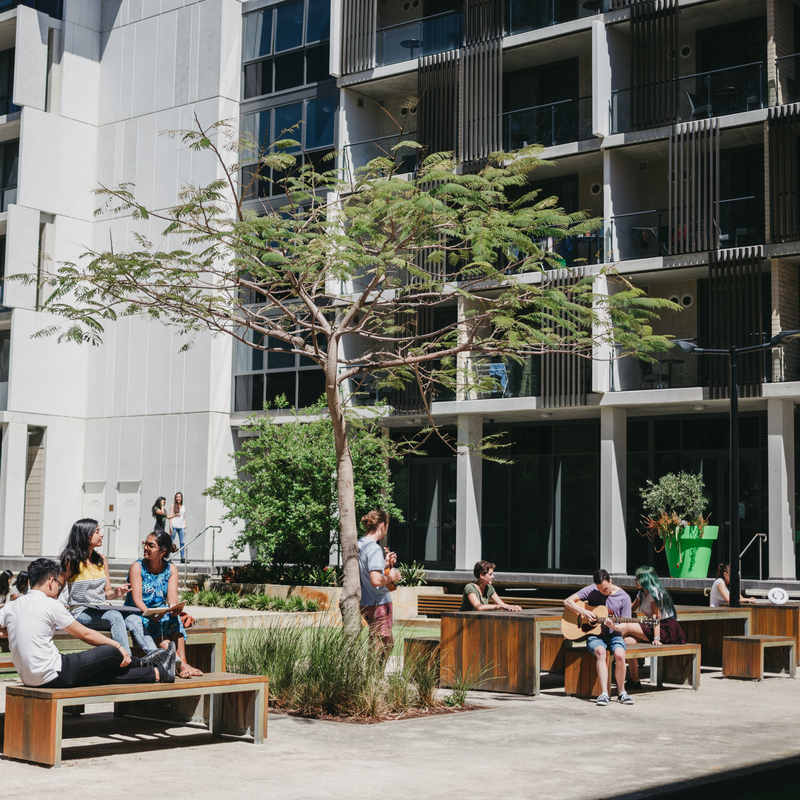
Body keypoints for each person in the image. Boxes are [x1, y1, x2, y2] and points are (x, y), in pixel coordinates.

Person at [0, 558, 175, 688]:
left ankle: (157, 672)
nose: (59, 589)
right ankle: (143, 662)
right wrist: (118, 646)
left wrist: (13, 631)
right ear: (51, 581)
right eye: (59, 583)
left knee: (102, 674)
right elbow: (85, 633)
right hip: (56, 672)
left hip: (30, 678)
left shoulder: (12, 606)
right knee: (109, 651)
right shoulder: (51, 604)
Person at [59, 518, 158, 657]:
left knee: (134, 618)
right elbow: (57, 588)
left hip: (103, 608)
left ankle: (158, 657)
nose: (102, 535)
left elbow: (107, 593)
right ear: (86, 536)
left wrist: (116, 593)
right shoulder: (71, 561)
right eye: (97, 531)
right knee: (115, 616)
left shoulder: (101, 560)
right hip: (81, 611)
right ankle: (126, 658)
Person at [125, 530, 203, 678]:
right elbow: (137, 599)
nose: (145, 548)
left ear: (162, 551)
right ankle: (181, 664)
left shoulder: (171, 569)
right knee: (151, 622)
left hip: (160, 610)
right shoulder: (137, 566)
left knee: (174, 618)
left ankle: (183, 661)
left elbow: (172, 597)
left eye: (150, 545)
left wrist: (175, 608)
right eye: (145, 544)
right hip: (138, 611)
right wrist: (149, 612)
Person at [564, 568, 635, 707]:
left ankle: (622, 692)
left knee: (620, 655)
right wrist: (584, 611)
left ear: (610, 581)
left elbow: (625, 626)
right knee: (601, 652)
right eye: (599, 589)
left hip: (614, 635)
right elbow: (567, 601)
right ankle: (604, 694)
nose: (602, 591)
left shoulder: (624, 597)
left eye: (605, 588)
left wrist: (613, 626)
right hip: (594, 635)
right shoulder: (592, 589)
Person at [615, 565, 687, 687]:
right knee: (627, 641)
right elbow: (631, 609)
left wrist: (657, 638)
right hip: (652, 626)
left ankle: (607, 642)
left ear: (645, 579)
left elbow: (655, 617)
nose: (634, 580)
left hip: (665, 629)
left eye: (637, 577)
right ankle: (635, 680)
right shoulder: (642, 592)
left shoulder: (655, 592)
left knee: (626, 627)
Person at [357, 509, 401, 658]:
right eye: (387, 528)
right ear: (382, 526)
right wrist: (393, 576)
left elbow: (367, 572)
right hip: (379, 603)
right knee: (383, 645)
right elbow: (376, 580)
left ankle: (373, 677)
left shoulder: (360, 545)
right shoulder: (374, 548)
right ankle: (374, 678)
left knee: (378, 641)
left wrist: (385, 564)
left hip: (365, 602)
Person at [169, 491, 187, 563]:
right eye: (176, 497)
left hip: (181, 526)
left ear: (181, 498)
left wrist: (185, 527)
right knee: (171, 542)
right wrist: (170, 526)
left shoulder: (183, 506)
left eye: (179, 497)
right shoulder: (173, 505)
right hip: (174, 526)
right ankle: (169, 557)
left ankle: (182, 558)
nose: (178, 498)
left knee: (182, 542)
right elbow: (170, 516)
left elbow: (184, 518)